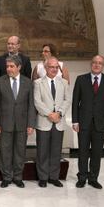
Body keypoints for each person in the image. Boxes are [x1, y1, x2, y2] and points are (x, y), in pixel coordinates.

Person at [72, 55, 104, 189]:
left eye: (100, 63)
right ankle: (82, 177)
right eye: (95, 63)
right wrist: (75, 121)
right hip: (83, 122)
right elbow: (75, 102)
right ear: (91, 64)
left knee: (97, 152)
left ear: (103, 66)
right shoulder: (81, 79)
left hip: (101, 123)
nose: (97, 65)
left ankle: (93, 178)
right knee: (83, 152)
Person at [0, 55, 36, 188]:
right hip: (4, 124)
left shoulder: (28, 82)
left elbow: (31, 105)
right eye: (7, 66)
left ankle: (18, 177)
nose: (9, 69)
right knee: (5, 151)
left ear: (19, 67)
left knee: (20, 151)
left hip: (22, 124)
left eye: (11, 66)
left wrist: (31, 124)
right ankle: (6, 177)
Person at [34, 57, 71, 188]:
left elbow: (67, 100)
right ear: (45, 68)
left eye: (56, 67)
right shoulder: (38, 83)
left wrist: (59, 113)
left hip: (59, 122)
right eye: (51, 67)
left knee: (56, 151)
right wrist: (49, 114)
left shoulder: (64, 83)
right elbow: (37, 101)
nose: (54, 69)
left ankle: (54, 177)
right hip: (44, 121)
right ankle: (43, 177)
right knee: (42, 151)